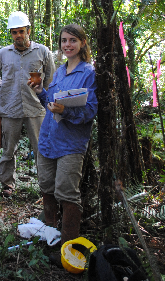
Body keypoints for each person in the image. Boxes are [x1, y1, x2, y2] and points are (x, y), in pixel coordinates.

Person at [29, 23, 97, 265]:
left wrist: (65, 111)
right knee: (47, 187)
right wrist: (40, 91)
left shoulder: (89, 72)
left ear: (82, 44)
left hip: (71, 142)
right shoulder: (58, 71)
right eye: (64, 40)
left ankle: (69, 249)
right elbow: (52, 102)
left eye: (72, 40)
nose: (67, 45)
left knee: (67, 194)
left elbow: (89, 111)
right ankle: (51, 235)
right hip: (48, 138)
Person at [0, 11, 55, 197]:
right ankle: (7, 185)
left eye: (21, 31)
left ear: (28, 31)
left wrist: (45, 96)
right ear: (11, 34)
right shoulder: (3, 53)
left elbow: (51, 77)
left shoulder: (42, 52)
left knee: (41, 149)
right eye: (14, 32)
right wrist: (2, 88)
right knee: (9, 149)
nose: (18, 35)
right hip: (10, 108)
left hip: (37, 109)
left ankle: (46, 187)